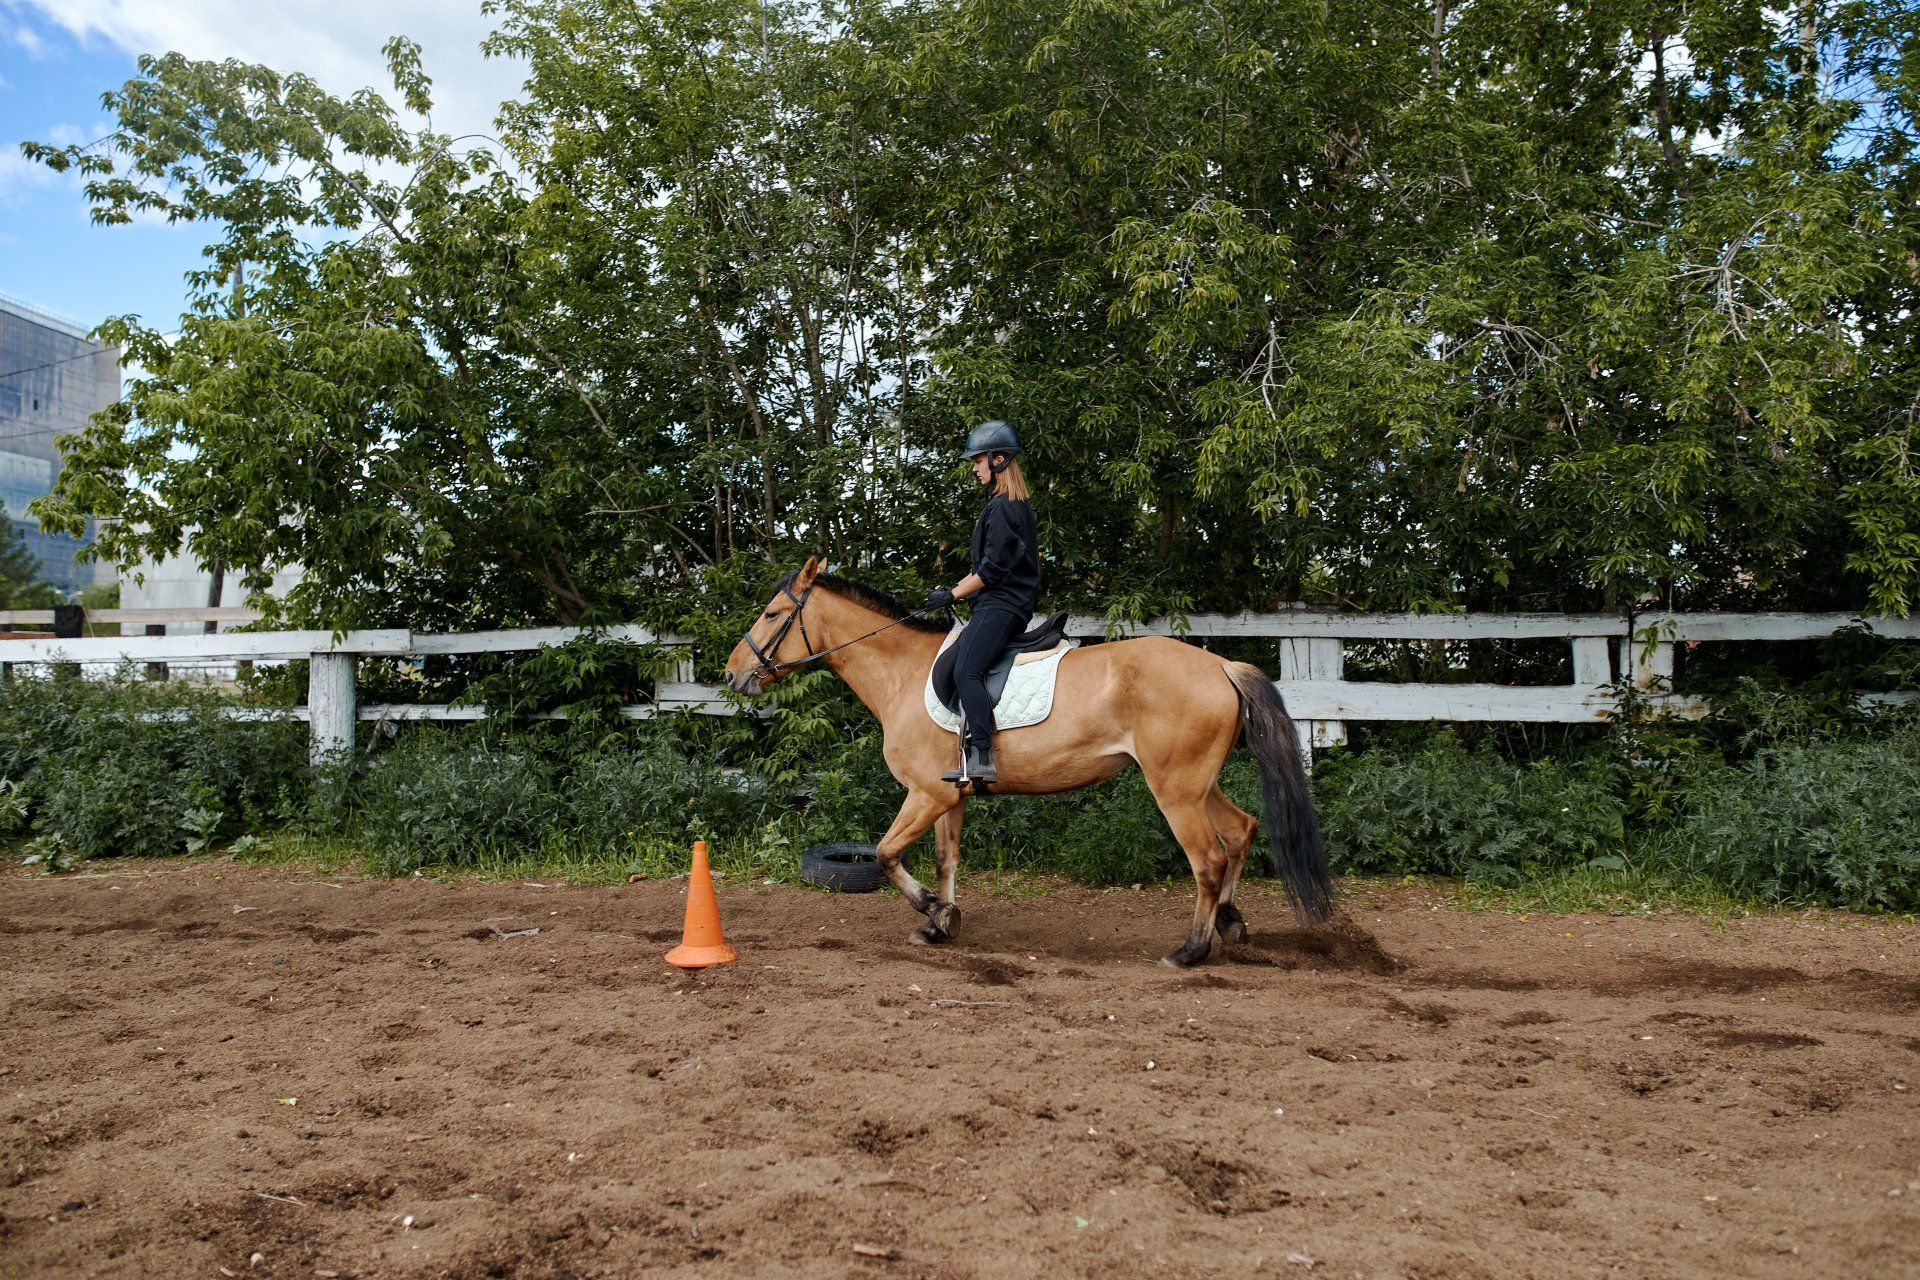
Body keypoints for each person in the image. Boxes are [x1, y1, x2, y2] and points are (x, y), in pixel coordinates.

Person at [923, 420, 1041, 784]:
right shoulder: (1002, 505)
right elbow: (988, 567)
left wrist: (953, 594)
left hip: (1002, 605)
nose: (974, 468)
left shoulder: (1005, 507)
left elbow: (991, 570)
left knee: (966, 670)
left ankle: (981, 755)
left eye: (978, 461)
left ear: (999, 459)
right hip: (998, 601)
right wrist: (957, 588)